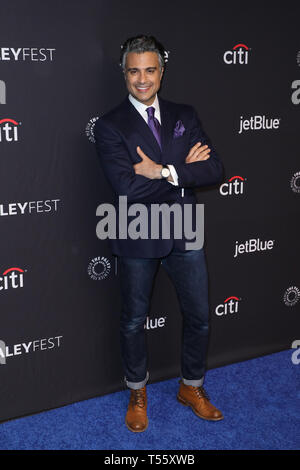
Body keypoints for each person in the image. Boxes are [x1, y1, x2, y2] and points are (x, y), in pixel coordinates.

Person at [94, 35, 224, 432]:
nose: (142, 79)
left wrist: (163, 171)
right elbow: (126, 189)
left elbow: (214, 170)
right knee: (133, 320)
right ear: (124, 74)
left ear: (162, 72)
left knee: (199, 316)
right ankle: (137, 391)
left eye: (150, 70)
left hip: (184, 231)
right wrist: (183, 172)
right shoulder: (110, 125)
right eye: (134, 71)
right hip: (137, 232)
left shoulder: (185, 114)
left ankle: (192, 387)